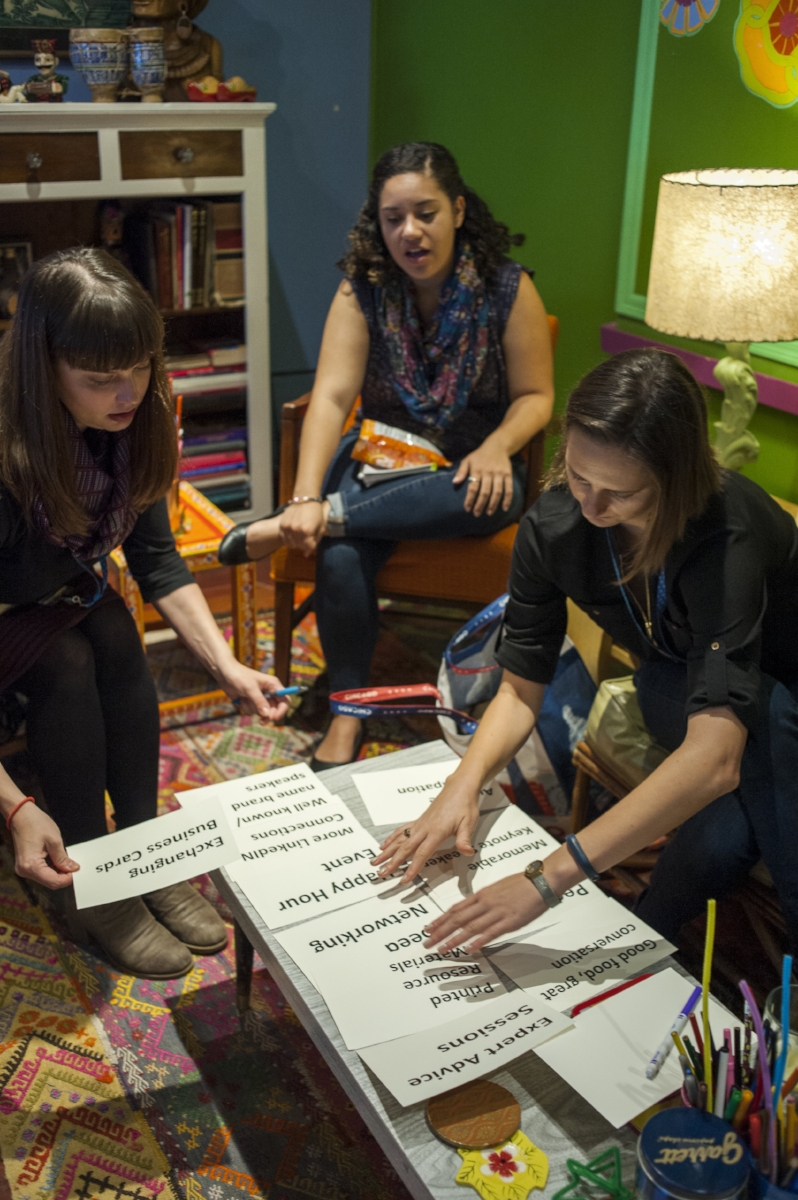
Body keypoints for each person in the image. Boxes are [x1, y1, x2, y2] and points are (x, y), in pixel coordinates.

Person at [373, 348, 798, 955]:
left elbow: (716, 758)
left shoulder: (728, 533)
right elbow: (521, 684)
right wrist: (461, 785)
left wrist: (546, 880)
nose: (592, 510)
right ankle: (650, 943)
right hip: (675, 682)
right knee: (721, 735)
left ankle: (648, 937)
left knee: (731, 813)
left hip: (781, 688)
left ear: (677, 481)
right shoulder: (553, 527)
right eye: (577, 477)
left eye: (621, 494)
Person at [0, 247, 289, 979]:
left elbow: (157, 560)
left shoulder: (136, 418)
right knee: (66, 660)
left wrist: (226, 666)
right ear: (44, 371)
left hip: (53, 592)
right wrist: (10, 808)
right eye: (100, 380)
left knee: (115, 632)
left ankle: (141, 850)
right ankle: (95, 880)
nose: (128, 393)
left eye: (142, 369)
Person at [219, 142, 554, 769]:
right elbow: (331, 397)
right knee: (340, 553)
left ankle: (317, 519)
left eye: (425, 212)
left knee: (493, 489)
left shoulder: (510, 288)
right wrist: (303, 496)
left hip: (467, 467)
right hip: (382, 460)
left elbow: (536, 396)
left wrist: (497, 446)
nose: (410, 231)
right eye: (393, 217)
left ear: (456, 209)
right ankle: (349, 711)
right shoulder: (363, 290)